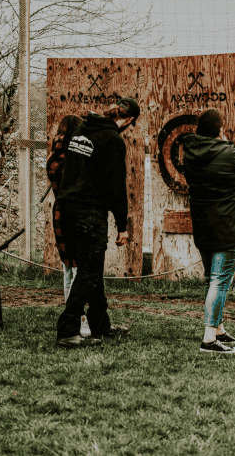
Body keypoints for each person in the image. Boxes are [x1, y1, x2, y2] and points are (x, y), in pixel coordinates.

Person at [55, 97, 141, 349]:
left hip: (67, 209)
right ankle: (67, 329)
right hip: (90, 212)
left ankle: (100, 324)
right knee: (90, 272)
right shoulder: (112, 140)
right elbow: (116, 185)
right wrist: (122, 225)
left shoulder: (81, 130)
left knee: (90, 269)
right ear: (129, 120)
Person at [182, 108, 235, 355]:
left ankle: (217, 329)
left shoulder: (190, 153)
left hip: (203, 225)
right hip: (228, 227)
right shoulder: (229, 153)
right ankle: (208, 339)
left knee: (211, 279)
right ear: (218, 129)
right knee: (220, 281)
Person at [47, 114, 93, 337]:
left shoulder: (53, 158)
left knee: (68, 268)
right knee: (78, 270)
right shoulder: (73, 158)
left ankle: (76, 319)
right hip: (75, 214)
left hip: (59, 213)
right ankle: (80, 320)